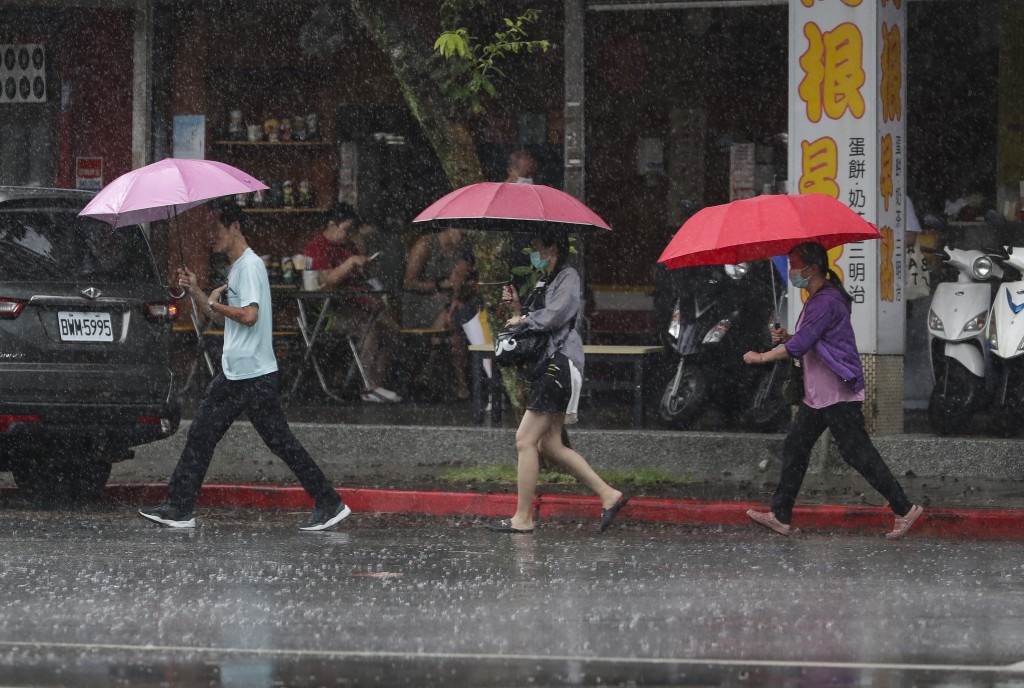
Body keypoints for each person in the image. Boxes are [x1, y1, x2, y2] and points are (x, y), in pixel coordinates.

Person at [140, 203, 350, 531]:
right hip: (241, 372)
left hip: (250, 375)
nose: (212, 238)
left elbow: (249, 317)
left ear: (235, 227)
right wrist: (195, 289)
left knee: (246, 438)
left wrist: (212, 302)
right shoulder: (237, 268)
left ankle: (328, 501)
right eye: (209, 232)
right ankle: (180, 506)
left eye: (217, 231)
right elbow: (220, 317)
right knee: (213, 435)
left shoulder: (249, 267)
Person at [742, 241, 924, 539]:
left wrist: (761, 356)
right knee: (796, 446)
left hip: (836, 392)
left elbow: (800, 346)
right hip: (819, 395)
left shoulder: (826, 300)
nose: (791, 271)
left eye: (795, 265)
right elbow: (809, 339)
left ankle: (904, 509)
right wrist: (786, 336)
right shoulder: (817, 298)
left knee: (858, 453)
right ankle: (780, 514)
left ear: (812, 268)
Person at [486, 229, 628, 535]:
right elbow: (534, 319)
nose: (534, 253)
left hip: (560, 364)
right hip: (548, 365)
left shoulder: (568, 276)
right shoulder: (544, 280)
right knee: (549, 445)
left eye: (538, 247)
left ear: (552, 248)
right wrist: (516, 307)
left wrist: (523, 320)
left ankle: (522, 518)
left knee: (525, 440)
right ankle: (608, 495)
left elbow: (556, 316)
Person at [304, 203, 402, 403]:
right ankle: (369, 386)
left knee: (391, 330)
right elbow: (327, 280)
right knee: (370, 330)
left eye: (351, 231)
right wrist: (350, 264)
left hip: (360, 302)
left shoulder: (348, 246)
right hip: (330, 309)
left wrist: (363, 266)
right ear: (332, 225)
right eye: (346, 230)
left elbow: (358, 276)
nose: (348, 236)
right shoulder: (316, 247)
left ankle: (377, 381)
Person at [402, 227, 478, 400]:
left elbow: (461, 280)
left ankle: (431, 367)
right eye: (462, 233)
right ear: (450, 228)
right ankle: (458, 381)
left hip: (448, 301)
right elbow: (408, 283)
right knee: (450, 318)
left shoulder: (462, 248)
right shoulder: (425, 245)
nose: (463, 238)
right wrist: (440, 285)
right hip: (420, 302)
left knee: (454, 322)